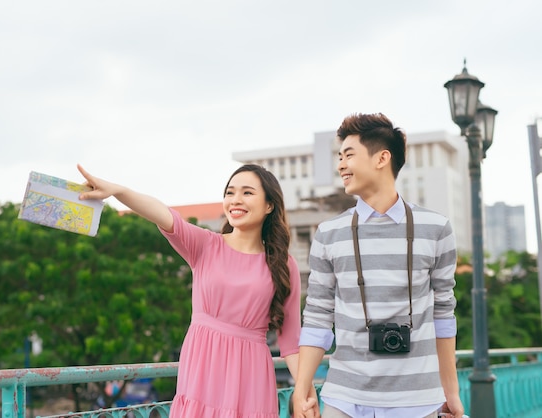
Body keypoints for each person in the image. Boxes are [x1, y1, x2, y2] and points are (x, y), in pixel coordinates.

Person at [77, 163, 317, 418]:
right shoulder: (205, 245)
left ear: (269, 205)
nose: (235, 200)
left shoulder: (282, 264)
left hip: (252, 376)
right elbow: (163, 214)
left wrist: (304, 391)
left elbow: (291, 341)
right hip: (203, 368)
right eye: (230, 192)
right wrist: (117, 191)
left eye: (247, 193)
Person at [292, 113, 465, 418]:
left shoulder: (436, 228)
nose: (340, 165)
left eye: (349, 155)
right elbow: (318, 316)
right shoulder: (328, 233)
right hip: (344, 400)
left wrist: (450, 393)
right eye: (339, 157)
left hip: (420, 403)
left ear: (381, 158)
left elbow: (443, 314)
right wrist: (302, 388)